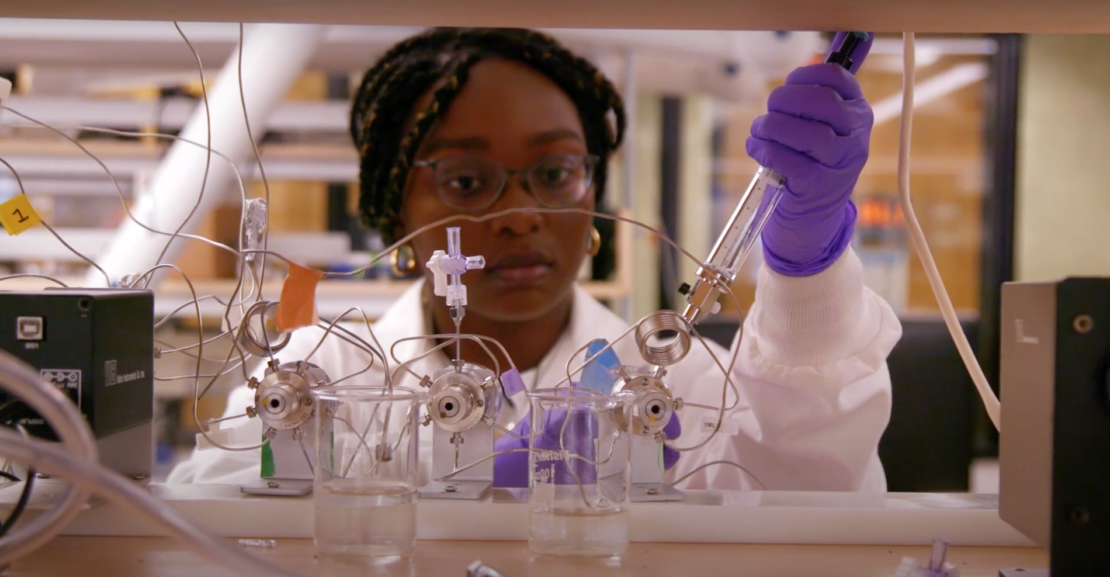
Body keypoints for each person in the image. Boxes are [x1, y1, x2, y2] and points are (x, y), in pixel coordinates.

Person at [169, 28, 900, 492]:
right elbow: (209, 515)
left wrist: (806, 268)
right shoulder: (316, 377)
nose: (520, 215)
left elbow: (816, 493)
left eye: (554, 174)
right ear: (396, 213)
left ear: (593, 198)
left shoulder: (676, 380)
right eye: (465, 181)